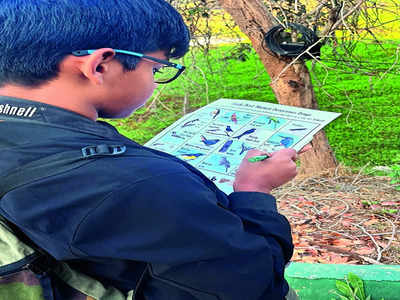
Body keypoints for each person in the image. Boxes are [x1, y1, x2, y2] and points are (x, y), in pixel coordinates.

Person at [0, 1, 305, 299]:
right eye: (157, 68)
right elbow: (252, 285)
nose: (156, 80)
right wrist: (254, 191)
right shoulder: (138, 182)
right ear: (101, 66)